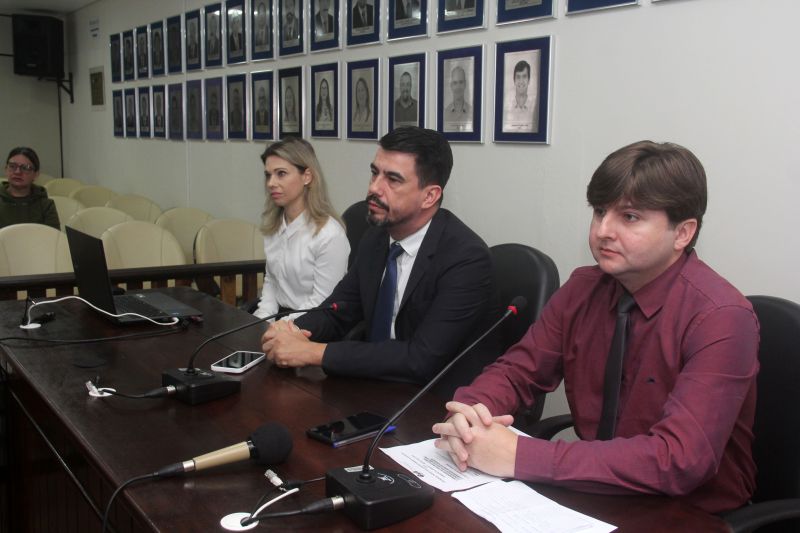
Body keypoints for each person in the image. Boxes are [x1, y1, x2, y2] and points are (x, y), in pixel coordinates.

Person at [433, 141, 759, 514]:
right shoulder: (583, 288)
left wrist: (520, 455)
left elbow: (680, 459)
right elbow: (517, 372)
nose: (603, 230)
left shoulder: (722, 317)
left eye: (629, 217)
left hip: (688, 512)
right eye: (600, 211)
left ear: (682, 233)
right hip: (591, 493)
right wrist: (470, 413)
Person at [261, 127, 494, 384]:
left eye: (393, 180)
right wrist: (291, 331)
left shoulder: (466, 258)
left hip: (434, 396)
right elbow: (337, 311)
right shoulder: (376, 238)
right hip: (373, 381)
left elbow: (420, 359)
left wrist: (314, 352)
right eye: (375, 173)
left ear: (429, 196)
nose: (374, 188)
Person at [254, 138, 349, 321]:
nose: (271, 183)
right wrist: (262, 320)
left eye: (281, 174)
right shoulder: (274, 225)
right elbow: (272, 282)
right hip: (281, 319)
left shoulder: (329, 234)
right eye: (268, 175)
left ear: (307, 176)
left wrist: (280, 327)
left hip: (313, 322)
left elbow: (321, 302)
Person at [1, 147, 59, 230]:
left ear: (36, 174)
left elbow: (53, 236)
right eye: (12, 166)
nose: (17, 172)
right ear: (6, 169)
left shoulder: (46, 205)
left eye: (26, 168)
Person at [503, 60, 536, 133]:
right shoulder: (506, 106)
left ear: (529, 80)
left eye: (524, 76)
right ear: (514, 80)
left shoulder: (535, 106)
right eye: (518, 77)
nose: (521, 81)